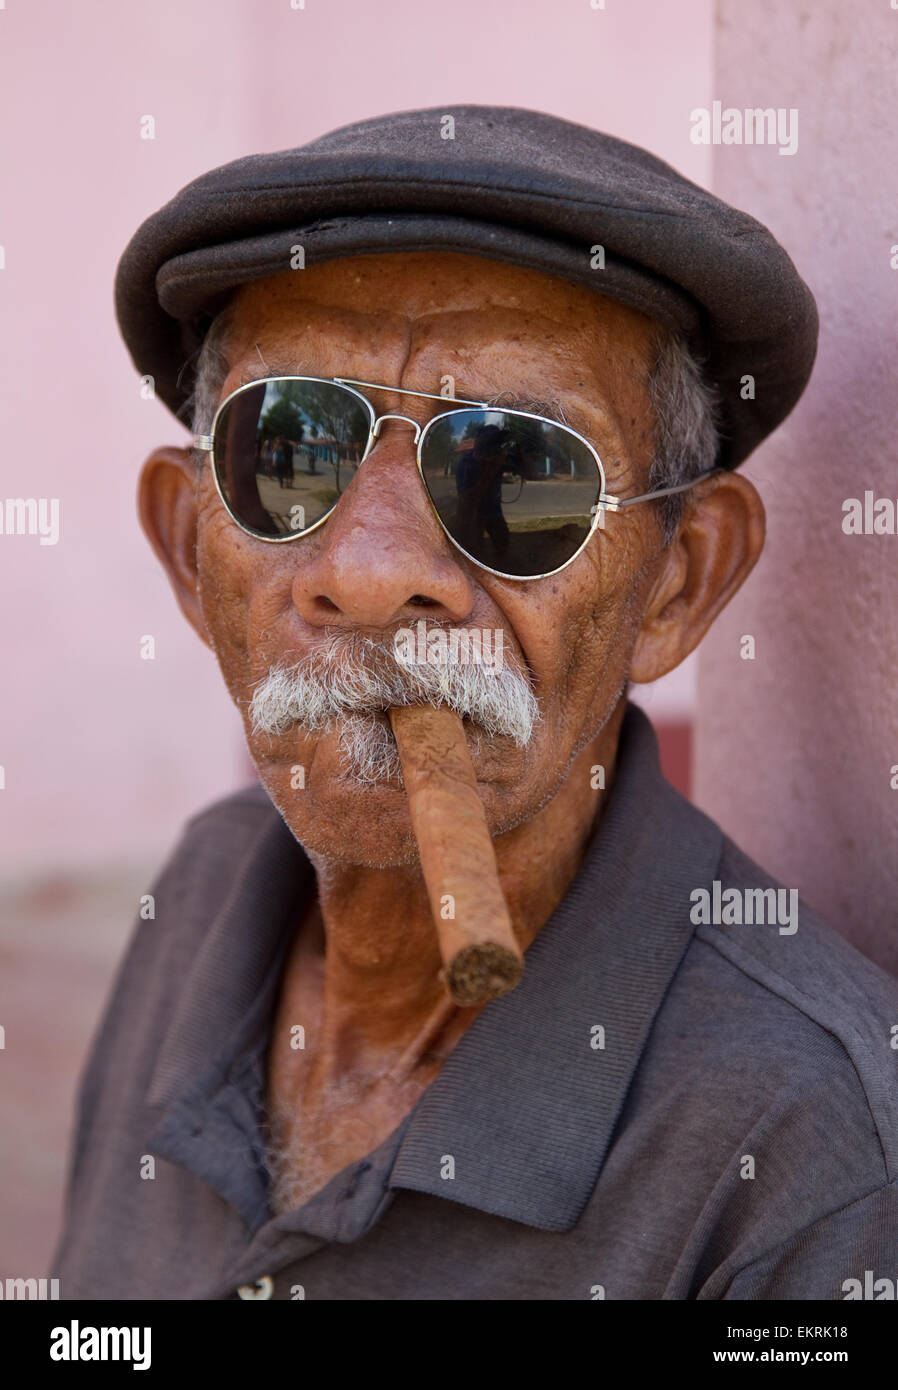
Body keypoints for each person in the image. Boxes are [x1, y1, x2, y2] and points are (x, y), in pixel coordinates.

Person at [53, 105, 898, 1301]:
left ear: (677, 582)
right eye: (288, 449)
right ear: (193, 556)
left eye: (520, 471)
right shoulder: (203, 889)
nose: (367, 570)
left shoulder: (810, 1153)